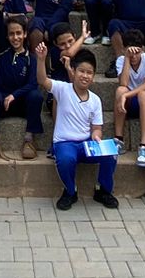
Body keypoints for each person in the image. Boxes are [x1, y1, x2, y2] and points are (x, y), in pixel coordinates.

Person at [35, 43, 118, 211]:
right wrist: (41, 60)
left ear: (93, 76)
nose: (85, 76)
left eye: (89, 72)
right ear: (73, 71)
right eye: (82, 71)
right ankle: (70, 191)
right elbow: (42, 80)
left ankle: (102, 190)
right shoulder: (62, 89)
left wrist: (96, 136)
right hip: (65, 143)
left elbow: (97, 128)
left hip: (87, 143)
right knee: (66, 159)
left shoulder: (95, 100)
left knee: (111, 152)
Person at [0, 15, 44, 161]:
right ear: (6, 36)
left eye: (18, 33)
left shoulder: (31, 58)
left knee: (36, 95)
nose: (15, 37)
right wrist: (0, 6)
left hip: (22, 104)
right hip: (3, 103)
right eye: (11, 34)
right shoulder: (3, 50)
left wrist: (14, 95)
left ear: (25, 34)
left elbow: (32, 84)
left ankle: (29, 140)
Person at [112, 28, 145, 166]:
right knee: (120, 90)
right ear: (124, 50)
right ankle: (119, 140)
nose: (134, 56)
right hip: (129, 102)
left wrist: (126, 95)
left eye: (137, 52)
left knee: (143, 95)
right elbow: (123, 83)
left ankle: (144, 146)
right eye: (130, 52)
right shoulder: (121, 60)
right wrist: (127, 58)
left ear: (143, 50)